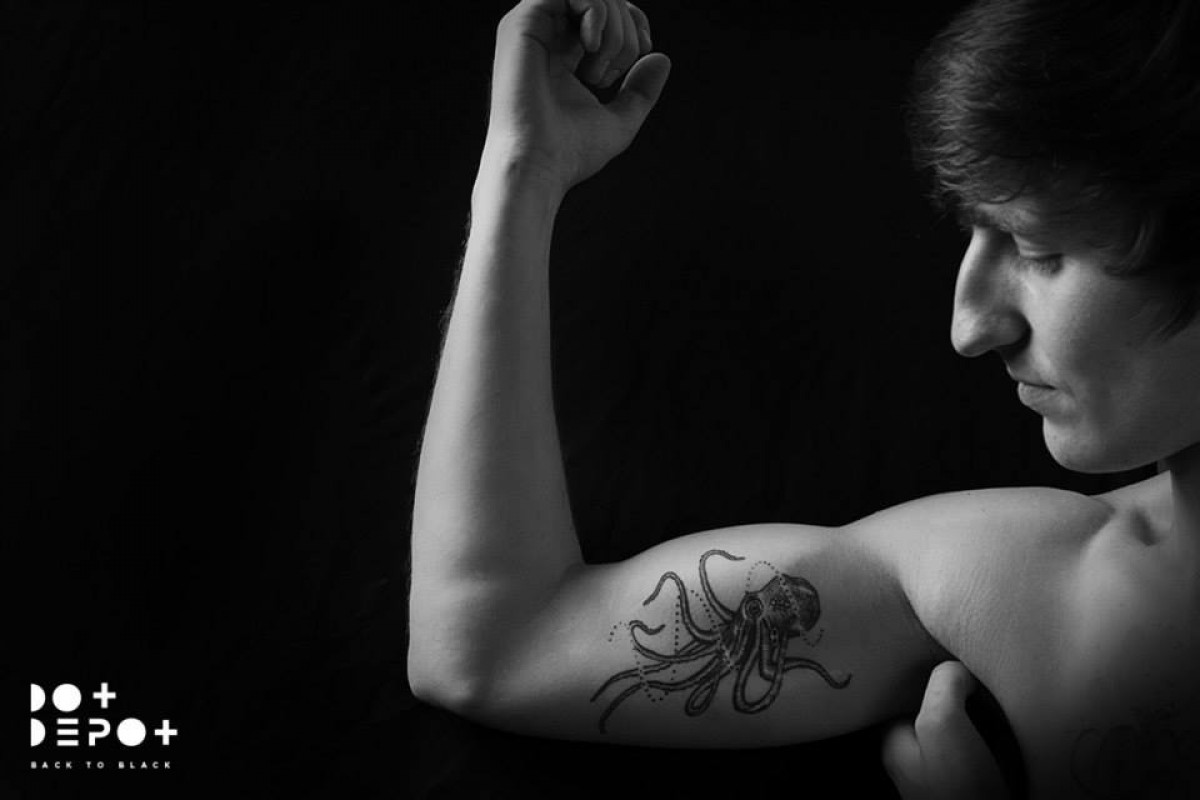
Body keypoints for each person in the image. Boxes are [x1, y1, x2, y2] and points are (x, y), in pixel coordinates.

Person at [407, 0, 1200, 797]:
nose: (971, 328)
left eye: (1037, 247)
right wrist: (523, 174)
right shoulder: (1012, 585)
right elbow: (495, 644)